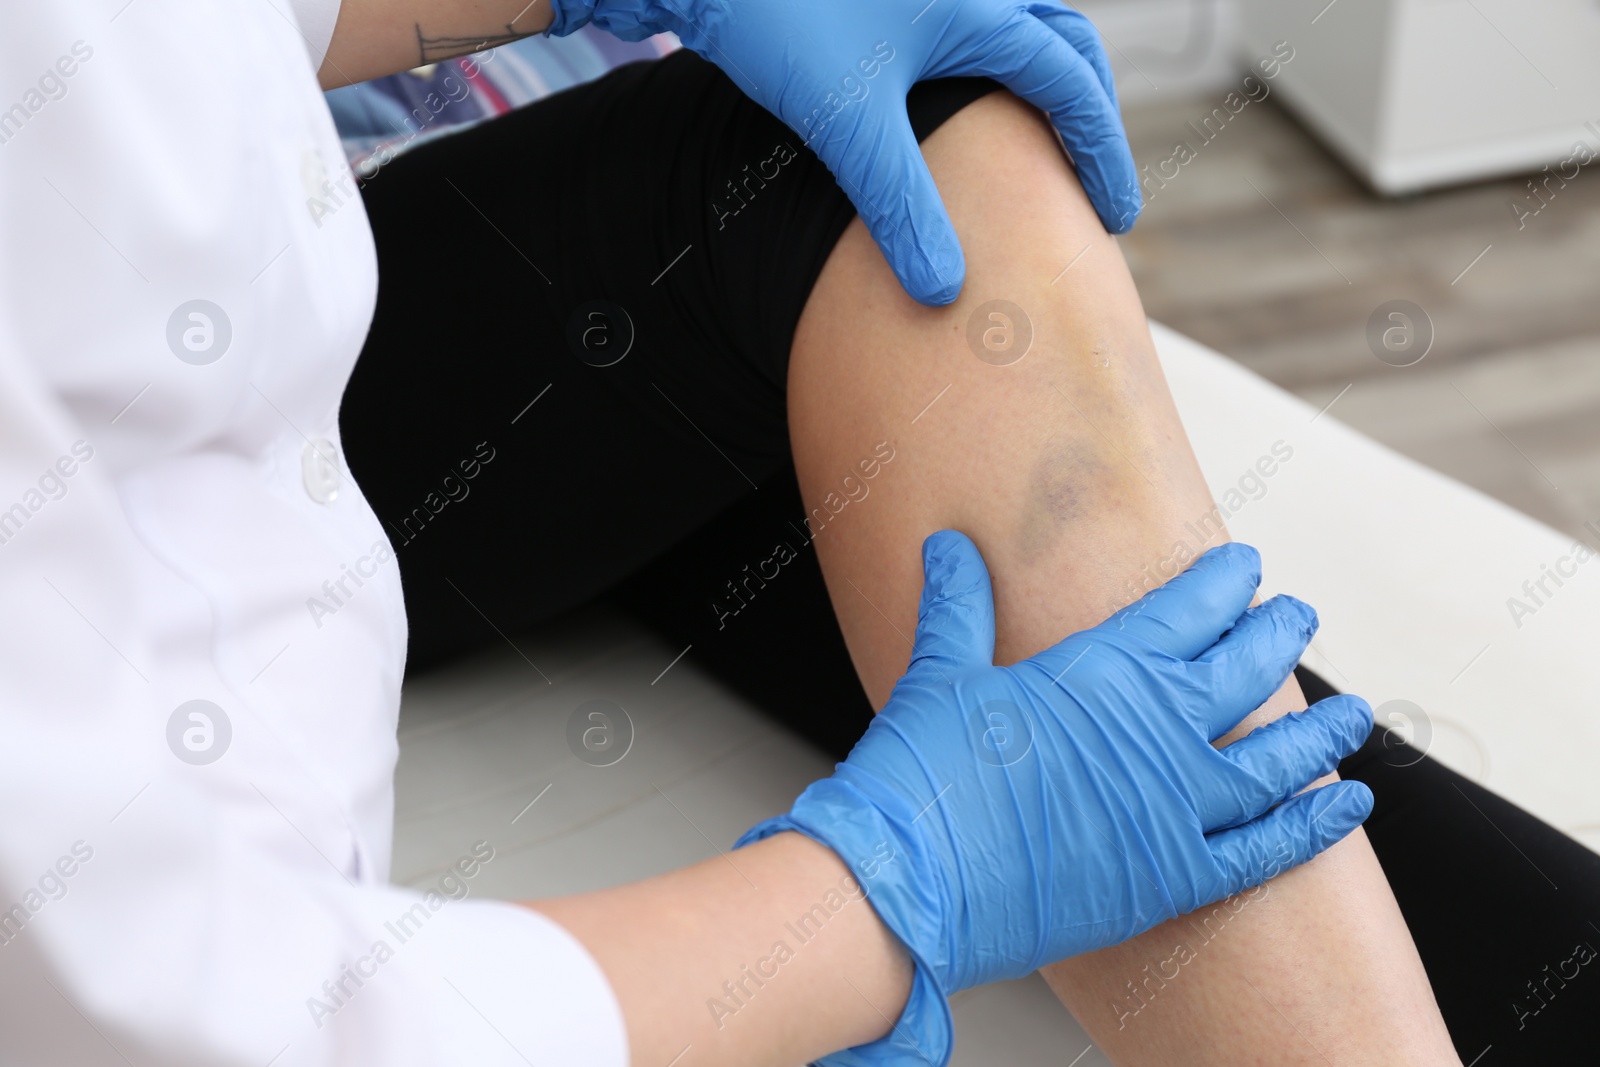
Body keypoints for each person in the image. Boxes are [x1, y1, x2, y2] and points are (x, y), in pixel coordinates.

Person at [0, 3, 1590, 1067]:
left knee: (874, 200)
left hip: (309, 264)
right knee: (852, 202)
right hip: (212, 363)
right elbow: (175, 1013)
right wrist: (887, 889)